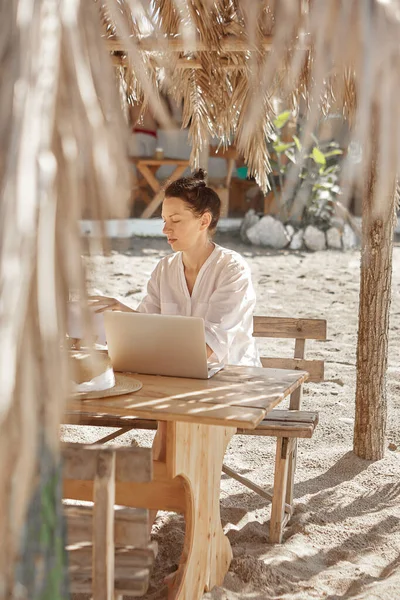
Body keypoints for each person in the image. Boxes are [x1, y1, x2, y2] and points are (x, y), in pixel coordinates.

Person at [90, 168, 261, 367]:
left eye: (176, 220)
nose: (165, 229)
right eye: (164, 220)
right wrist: (120, 310)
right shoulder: (165, 269)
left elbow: (208, 347)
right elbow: (146, 326)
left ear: (204, 221)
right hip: (178, 371)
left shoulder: (232, 269)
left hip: (232, 378)